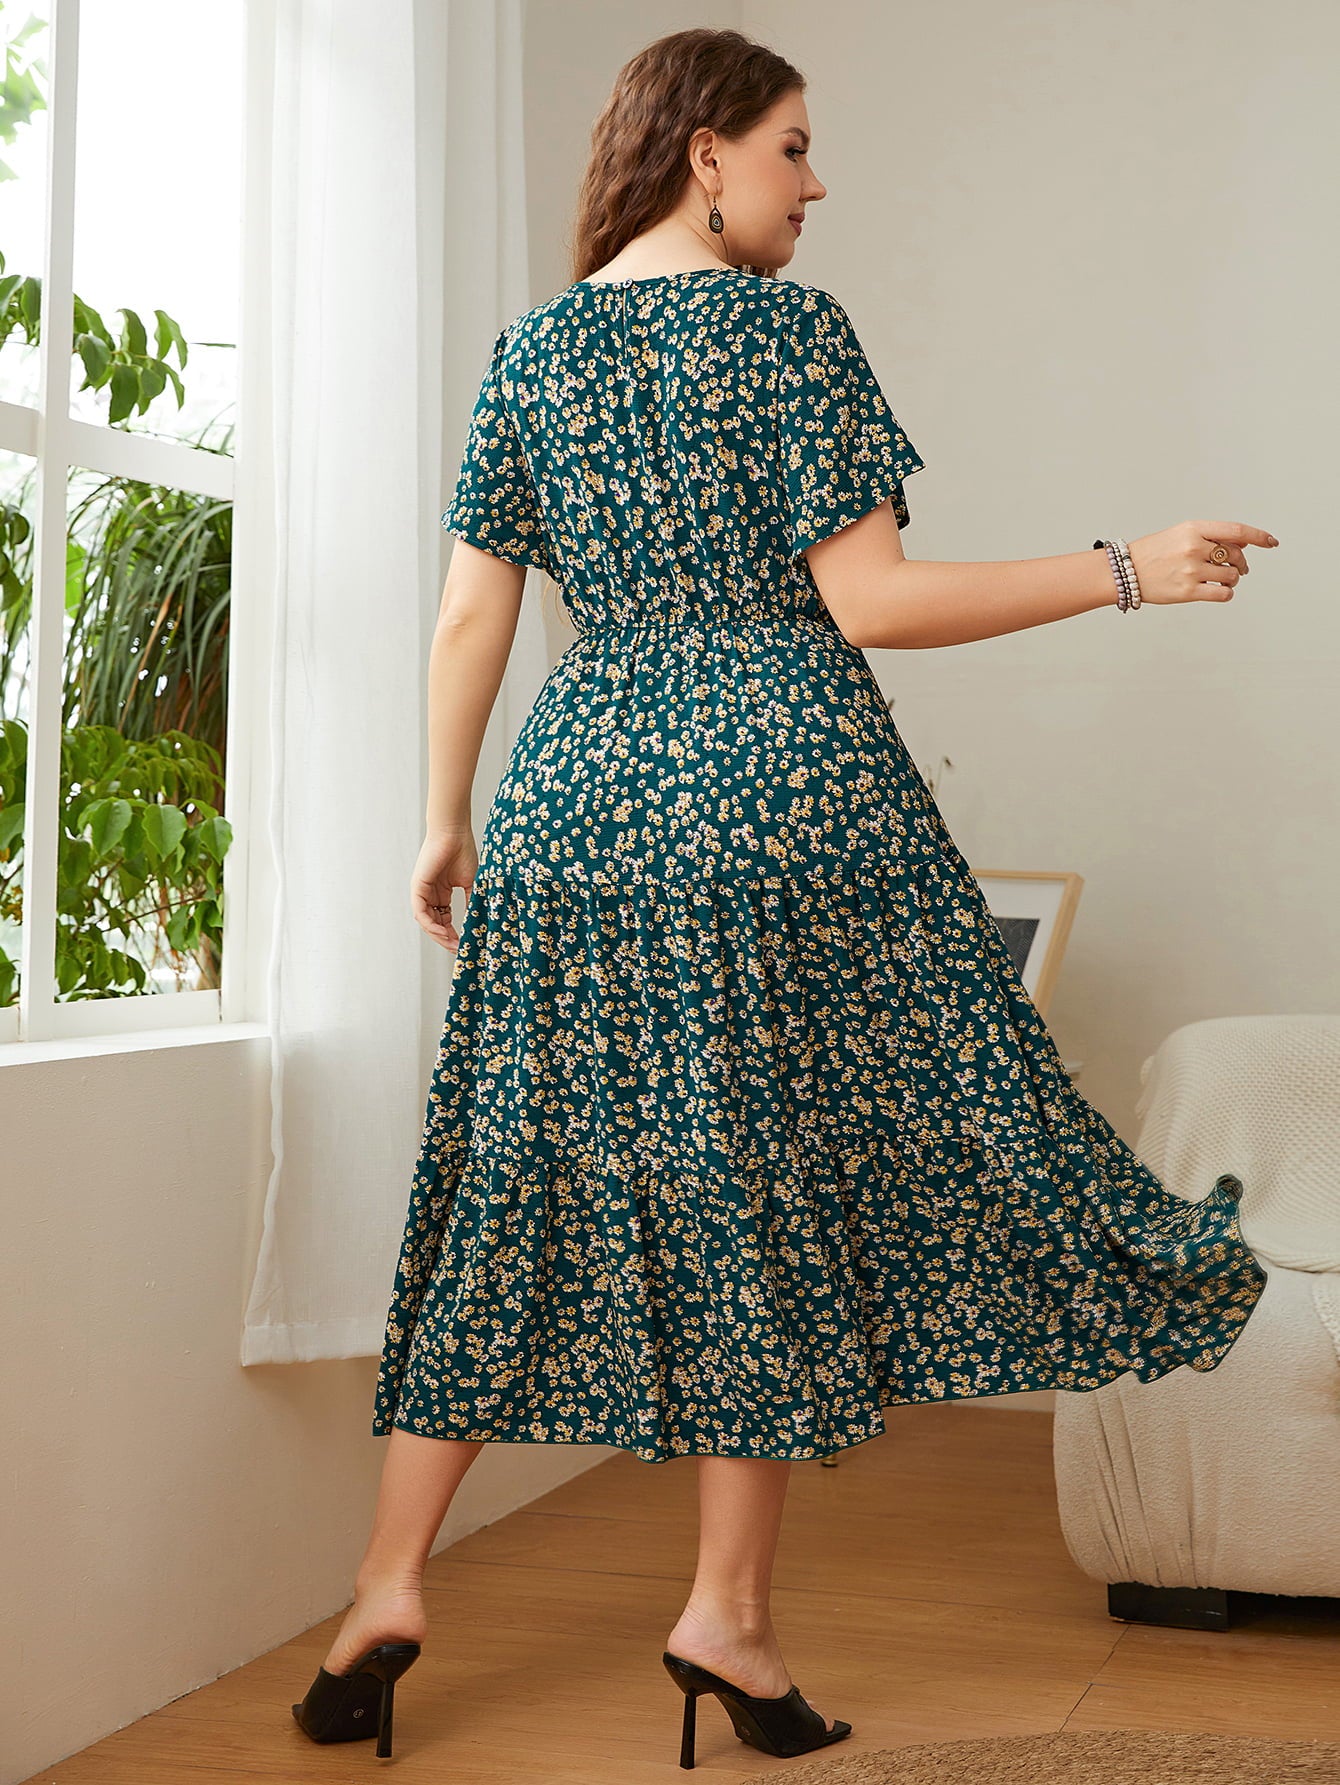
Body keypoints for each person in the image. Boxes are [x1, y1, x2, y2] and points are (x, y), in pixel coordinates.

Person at [291, 26, 1278, 1767]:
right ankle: (725, 1619)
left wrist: (442, 820)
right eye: (795, 148)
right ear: (706, 154)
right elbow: (873, 603)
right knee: (761, 1183)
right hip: (773, 789)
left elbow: (469, 620)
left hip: (577, 797)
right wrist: (1125, 568)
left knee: (514, 1178)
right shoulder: (787, 332)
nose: (817, 185)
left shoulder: (531, 350)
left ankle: (383, 1588)